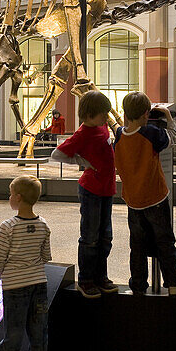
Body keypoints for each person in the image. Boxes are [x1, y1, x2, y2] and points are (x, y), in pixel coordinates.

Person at [114, 92, 176, 296]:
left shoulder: (118, 134)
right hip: (156, 199)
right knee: (165, 243)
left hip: (133, 201)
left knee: (137, 246)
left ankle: (138, 286)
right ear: (146, 114)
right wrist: (169, 118)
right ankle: (173, 284)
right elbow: (174, 138)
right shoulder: (151, 133)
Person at [50, 90, 116, 299]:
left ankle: (100, 275)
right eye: (102, 114)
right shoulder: (82, 133)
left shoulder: (101, 125)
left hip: (106, 188)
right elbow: (57, 153)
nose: (106, 117)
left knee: (105, 236)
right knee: (90, 237)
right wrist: (84, 163)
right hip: (91, 190)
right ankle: (86, 279)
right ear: (88, 115)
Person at [0, 175, 52, 351]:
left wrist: (5, 275)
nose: (9, 197)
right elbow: (46, 256)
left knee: (13, 333)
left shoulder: (8, 226)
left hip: (14, 287)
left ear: (17, 197)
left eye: (9, 193)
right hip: (39, 284)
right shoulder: (43, 224)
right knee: (38, 333)